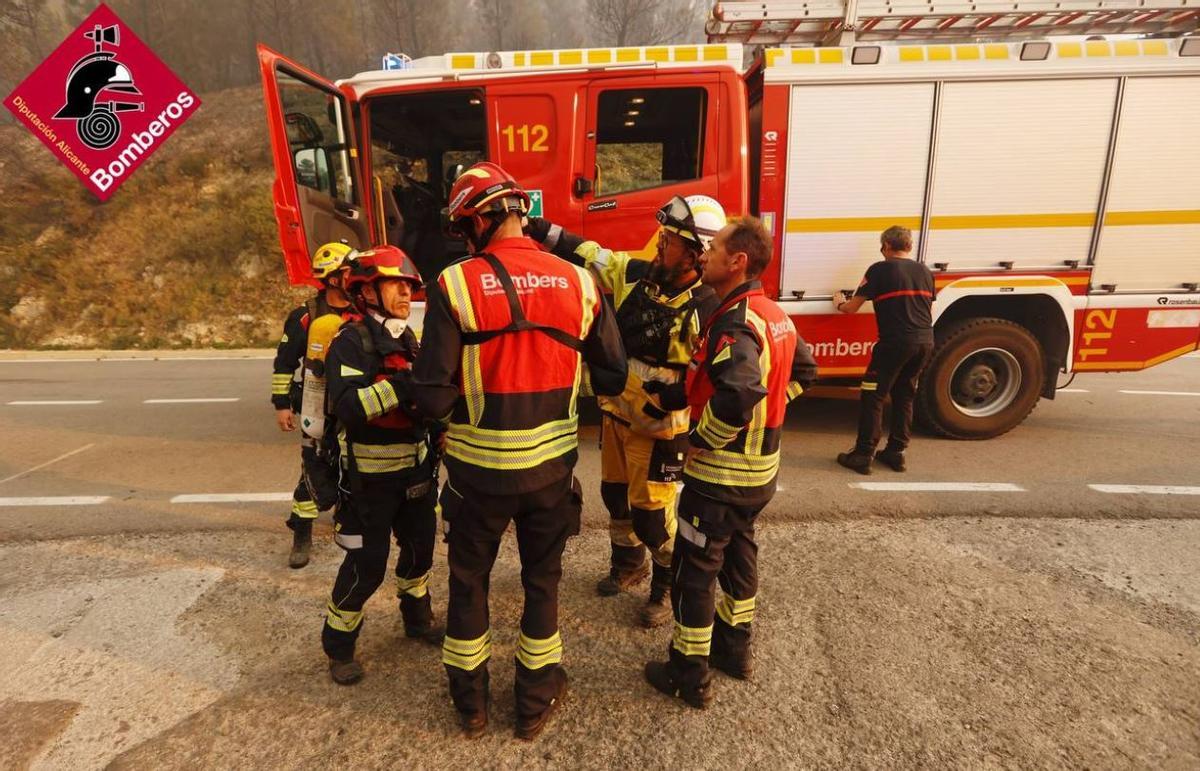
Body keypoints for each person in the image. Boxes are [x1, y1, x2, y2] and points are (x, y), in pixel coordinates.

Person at [411, 162, 627, 740]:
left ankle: (471, 704)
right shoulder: (581, 282)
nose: (463, 239)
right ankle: (533, 703)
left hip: (477, 475)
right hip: (551, 475)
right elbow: (612, 376)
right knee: (543, 580)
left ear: (480, 219)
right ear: (517, 211)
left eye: (464, 228)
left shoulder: (454, 284)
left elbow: (431, 398)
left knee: (469, 581)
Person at [527, 194, 726, 628]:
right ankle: (629, 565)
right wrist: (540, 230)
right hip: (617, 413)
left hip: (660, 429)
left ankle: (667, 582)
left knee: (653, 516)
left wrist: (702, 433)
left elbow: (716, 378)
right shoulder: (636, 277)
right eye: (663, 236)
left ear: (698, 253)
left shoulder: (708, 307)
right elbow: (590, 254)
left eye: (670, 240)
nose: (659, 245)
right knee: (615, 497)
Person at [642, 217, 817, 709]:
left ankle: (687, 674)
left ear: (738, 261)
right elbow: (804, 372)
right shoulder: (772, 314)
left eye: (714, 248)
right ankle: (733, 652)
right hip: (758, 476)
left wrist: (703, 440)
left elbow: (739, 394)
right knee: (739, 559)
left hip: (719, 480)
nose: (705, 254)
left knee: (694, 572)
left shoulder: (735, 321)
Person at [320, 245, 443, 686]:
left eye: (409, 286)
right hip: (368, 484)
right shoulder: (350, 342)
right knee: (366, 567)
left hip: (416, 476)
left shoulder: (408, 337)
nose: (406, 293)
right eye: (396, 284)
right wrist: (405, 385)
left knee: (419, 553)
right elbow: (350, 406)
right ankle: (339, 647)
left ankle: (417, 620)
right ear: (366, 291)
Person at [270, 241, 355, 568]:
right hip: (317, 405)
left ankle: (344, 519)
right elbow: (284, 363)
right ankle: (301, 533)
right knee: (314, 468)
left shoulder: (360, 312)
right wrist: (281, 404)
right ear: (334, 278)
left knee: (351, 465)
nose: (356, 277)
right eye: (350, 272)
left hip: (350, 404)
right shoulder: (306, 316)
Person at [832, 225, 935, 474]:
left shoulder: (879, 270)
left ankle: (863, 454)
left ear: (886, 246)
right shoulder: (924, 271)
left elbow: (851, 308)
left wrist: (838, 301)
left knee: (873, 396)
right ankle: (896, 452)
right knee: (904, 394)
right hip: (925, 342)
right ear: (909, 246)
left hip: (894, 344)